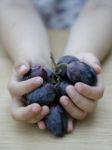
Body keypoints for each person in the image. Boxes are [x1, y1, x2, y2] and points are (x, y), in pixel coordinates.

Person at [0, 0, 111, 132]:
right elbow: (13, 4)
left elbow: (103, 4)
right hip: (24, 28)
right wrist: (31, 54)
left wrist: (80, 54)